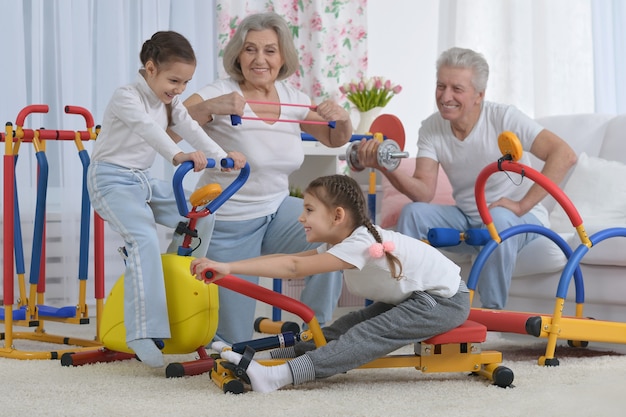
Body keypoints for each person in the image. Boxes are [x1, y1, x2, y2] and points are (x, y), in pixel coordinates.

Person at [190, 174, 469, 393]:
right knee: (343, 327)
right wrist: (228, 268)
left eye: (309, 210)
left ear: (337, 216)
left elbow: (293, 268)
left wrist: (227, 268)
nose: (301, 218)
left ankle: (276, 375)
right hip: (418, 297)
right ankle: (267, 359)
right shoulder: (346, 241)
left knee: (365, 335)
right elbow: (290, 259)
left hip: (443, 300)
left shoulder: (359, 243)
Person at [179, 12, 353, 344]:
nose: (260, 59)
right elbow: (172, 126)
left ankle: (315, 334)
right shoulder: (219, 90)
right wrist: (214, 106)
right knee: (234, 341)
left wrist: (342, 120)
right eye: (250, 50)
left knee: (334, 237)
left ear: (283, 56)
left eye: (270, 50)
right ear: (237, 55)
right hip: (229, 222)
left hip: (278, 213)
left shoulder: (294, 99)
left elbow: (334, 139)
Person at [357, 47, 577, 310]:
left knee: (499, 221)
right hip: (468, 217)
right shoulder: (431, 127)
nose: (445, 96)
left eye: (456, 89)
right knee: (414, 213)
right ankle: (409, 308)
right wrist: (385, 167)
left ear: (479, 95)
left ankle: (492, 316)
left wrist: (521, 206)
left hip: (517, 220)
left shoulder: (503, 117)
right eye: (441, 86)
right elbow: (424, 192)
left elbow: (564, 155)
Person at [87, 31, 246, 367]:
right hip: (110, 179)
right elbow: (149, 130)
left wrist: (224, 158)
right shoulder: (126, 96)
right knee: (143, 236)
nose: (179, 90)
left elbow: (193, 130)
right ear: (150, 68)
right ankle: (142, 332)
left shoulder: (172, 103)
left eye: (185, 83)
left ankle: (171, 283)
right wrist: (177, 156)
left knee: (201, 216)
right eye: (174, 80)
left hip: (143, 179)